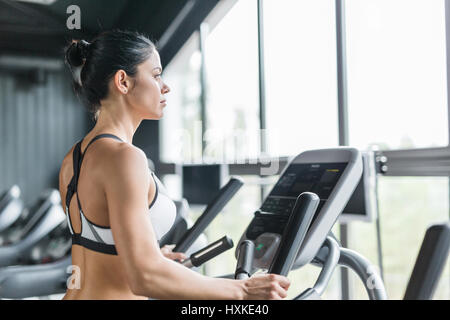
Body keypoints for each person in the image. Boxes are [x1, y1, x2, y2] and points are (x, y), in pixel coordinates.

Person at [59, 30, 290, 300]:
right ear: (123, 81)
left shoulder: (73, 158)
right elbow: (145, 277)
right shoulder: (125, 157)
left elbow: (99, 248)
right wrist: (242, 290)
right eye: (156, 75)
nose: (165, 86)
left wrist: (155, 256)